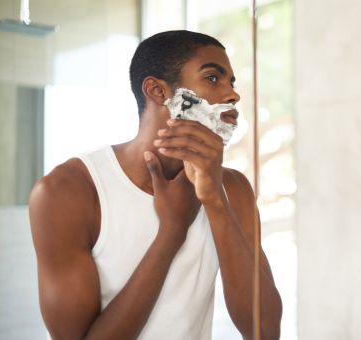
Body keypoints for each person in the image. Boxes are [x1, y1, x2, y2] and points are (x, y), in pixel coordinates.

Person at [29, 30, 282, 340]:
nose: (232, 95)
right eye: (213, 79)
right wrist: (171, 231)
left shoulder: (233, 189)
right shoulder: (69, 191)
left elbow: (265, 331)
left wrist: (215, 199)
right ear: (158, 92)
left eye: (231, 83)